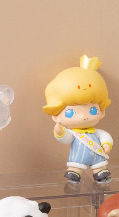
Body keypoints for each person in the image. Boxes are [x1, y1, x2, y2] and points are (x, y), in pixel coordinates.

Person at [43, 55, 113, 184]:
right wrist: (60, 132)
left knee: (100, 167)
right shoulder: (74, 134)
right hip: (77, 159)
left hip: (98, 158)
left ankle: (100, 173)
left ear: (102, 111)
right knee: (75, 167)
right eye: (70, 113)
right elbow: (67, 138)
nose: (83, 117)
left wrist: (106, 143)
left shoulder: (96, 132)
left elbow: (104, 135)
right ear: (56, 116)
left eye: (92, 110)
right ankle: (75, 173)